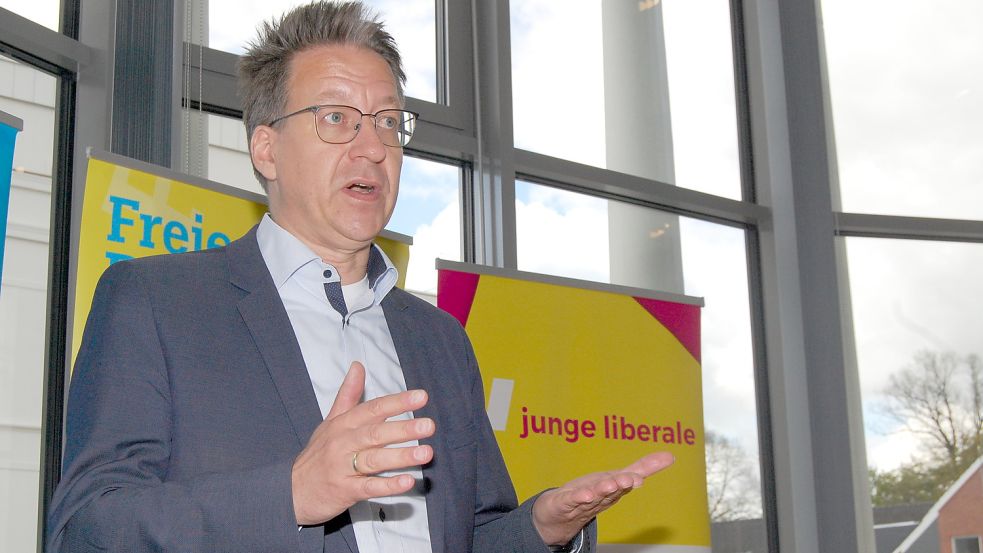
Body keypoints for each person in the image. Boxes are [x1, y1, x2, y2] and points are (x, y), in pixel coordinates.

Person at [46, 2, 674, 552]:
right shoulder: (156, 302)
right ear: (267, 149)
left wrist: (540, 527)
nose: (373, 147)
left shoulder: (440, 339)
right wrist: (291, 494)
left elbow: (470, 535)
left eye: (387, 121)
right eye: (337, 118)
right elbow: (87, 531)